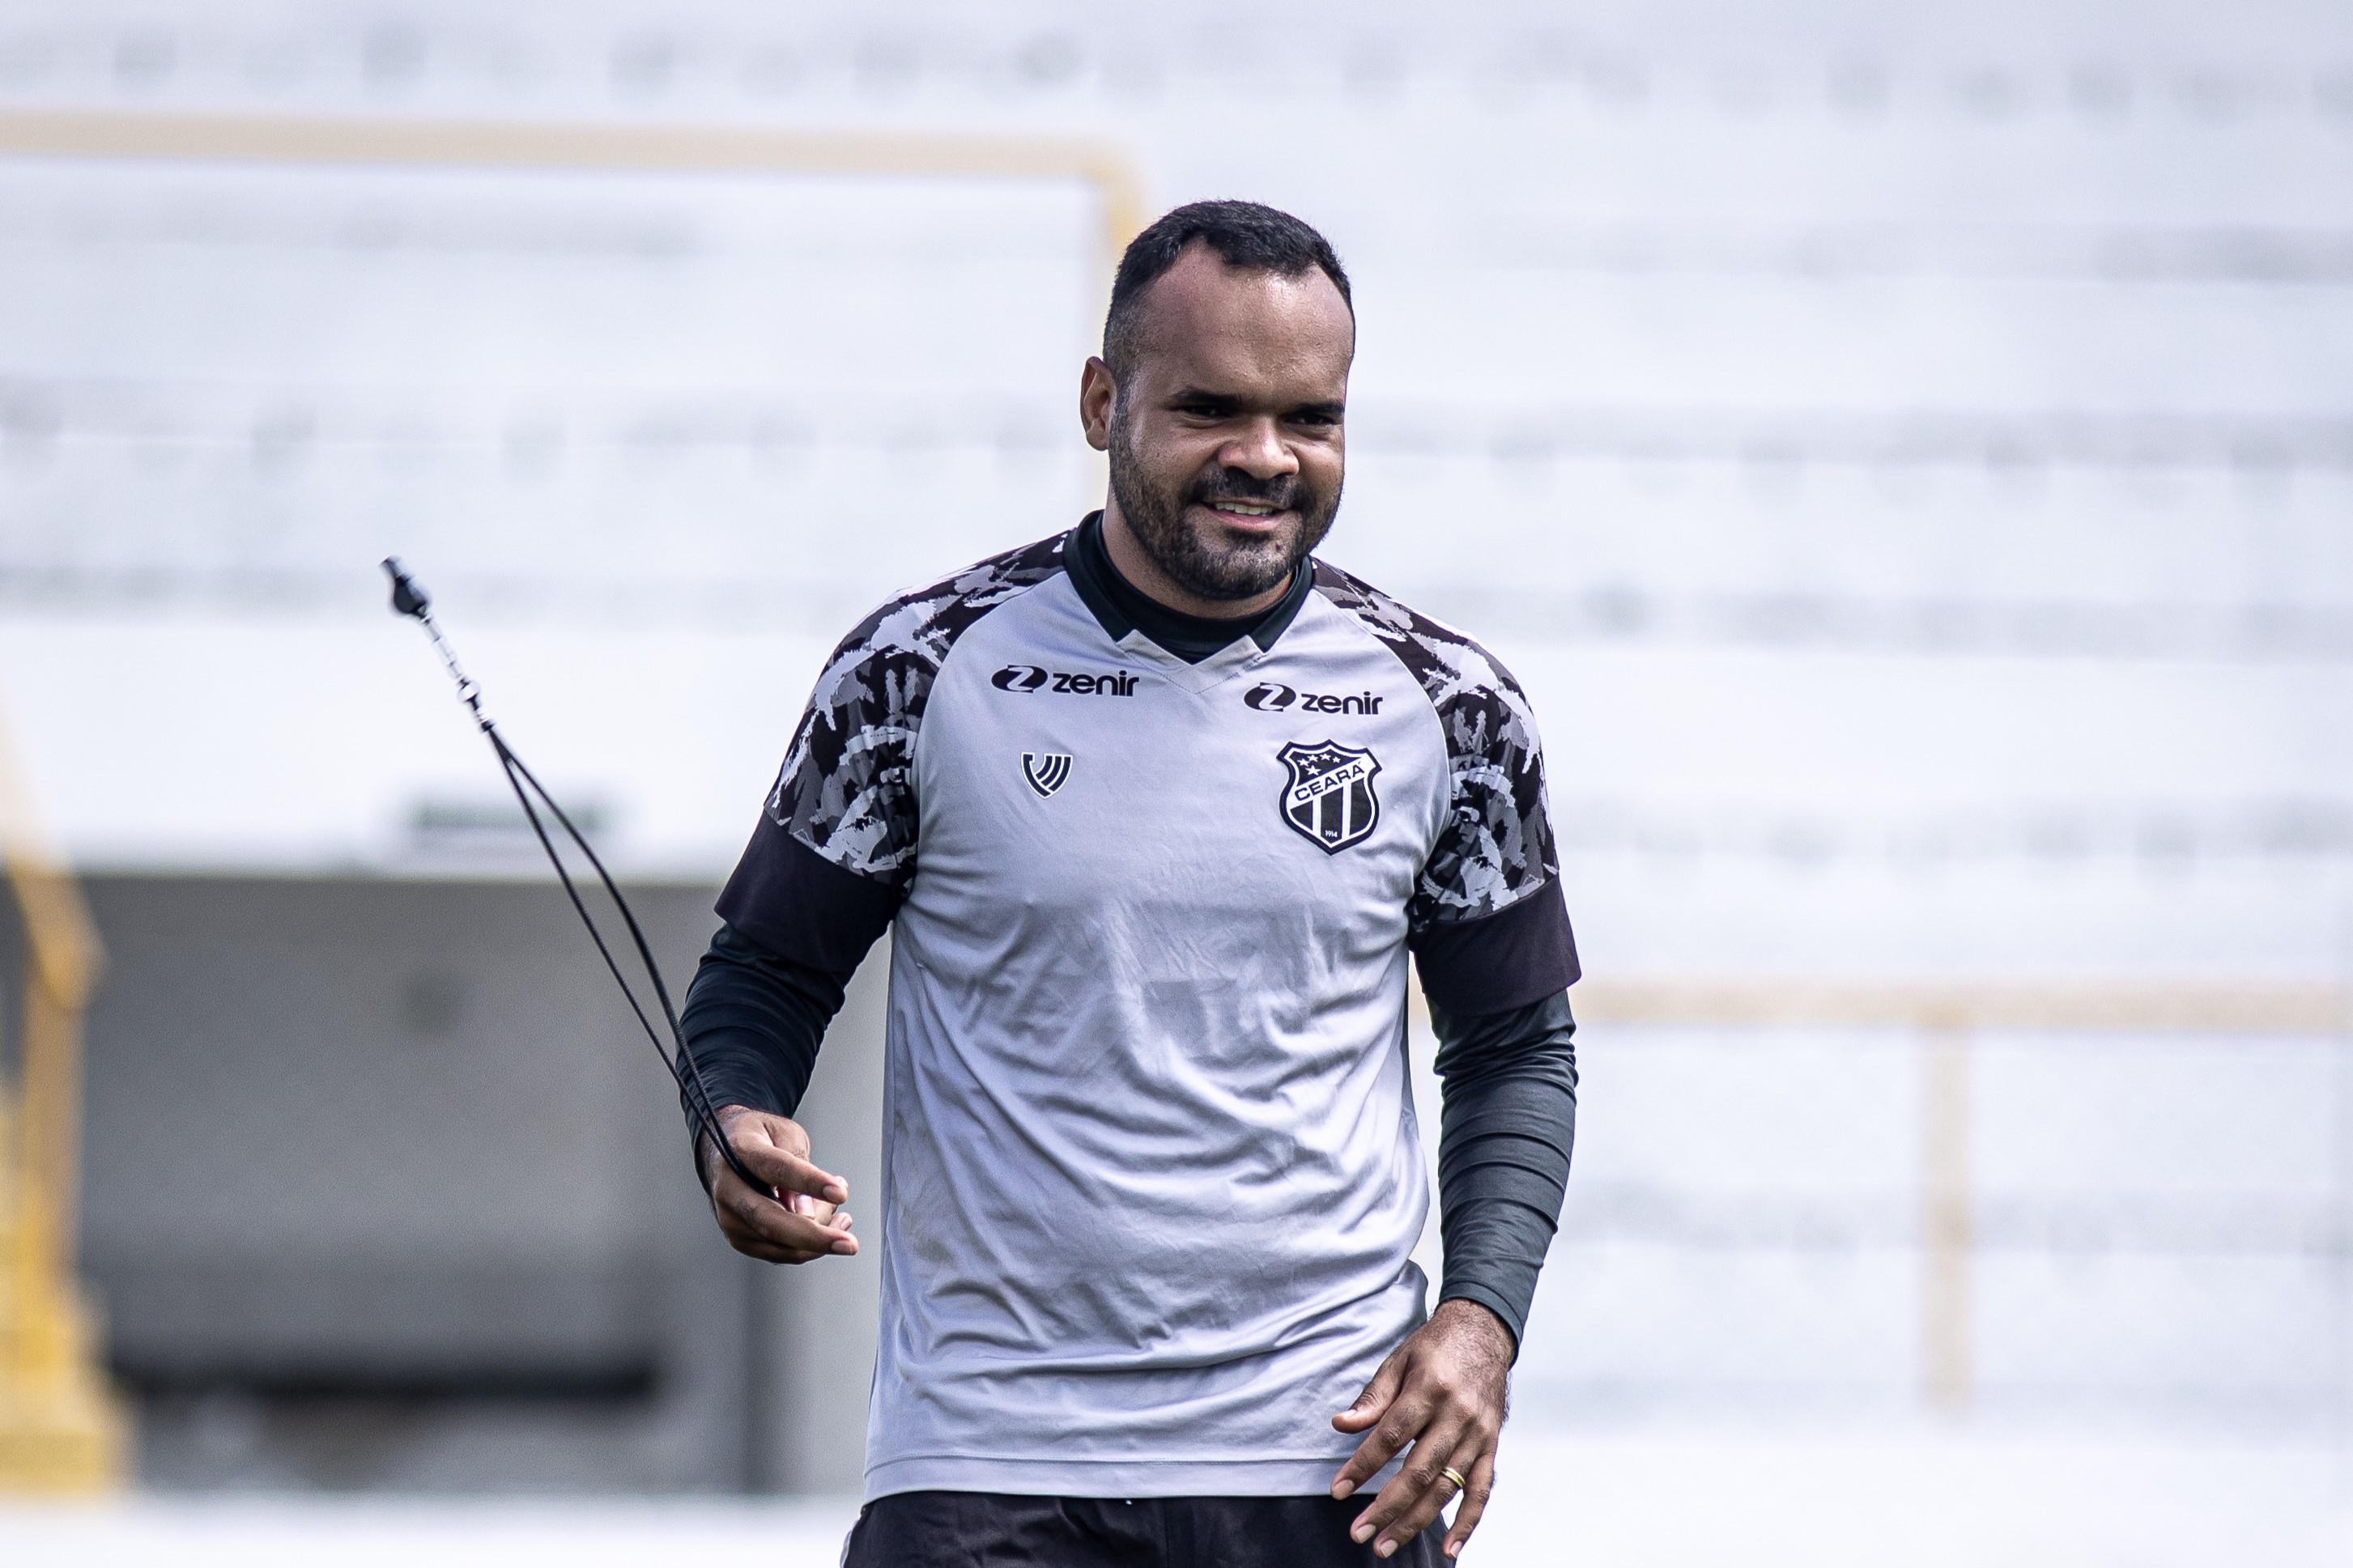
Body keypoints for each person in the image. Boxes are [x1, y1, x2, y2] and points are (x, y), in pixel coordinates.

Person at [679, 200, 1579, 1566]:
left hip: (1330, 1457)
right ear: (1103, 401)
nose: (1264, 457)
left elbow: (1516, 1048)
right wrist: (733, 1116)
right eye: (1211, 408)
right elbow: (765, 973)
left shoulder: (1448, 706)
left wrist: (1480, 1321)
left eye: (1312, 418)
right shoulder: (916, 672)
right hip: (984, 1460)